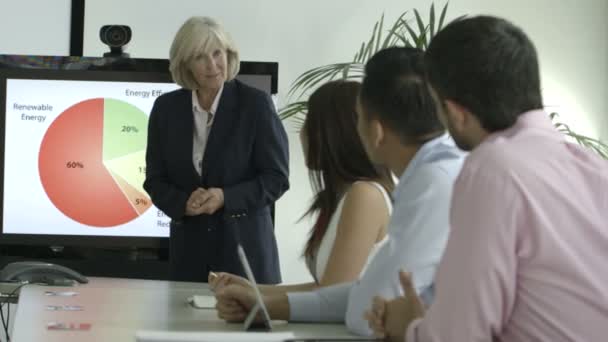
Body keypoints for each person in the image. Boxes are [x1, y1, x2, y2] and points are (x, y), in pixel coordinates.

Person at [365, 16, 608, 342]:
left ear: (456, 112)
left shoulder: (492, 168)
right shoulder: (592, 165)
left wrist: (409, 326)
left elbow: (457, 336)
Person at [213, 47, 465, 335]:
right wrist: (261, 301)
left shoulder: (430, 184)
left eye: (358, 118)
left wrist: (380, 311)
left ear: (376, 131)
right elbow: (361, 294)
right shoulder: (429, 178)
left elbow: (364, 312)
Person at [210, 80, 394, 293]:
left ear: (334, 132)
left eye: (309, 121)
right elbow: (323, 289)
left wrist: (257, 304)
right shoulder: (343, 196)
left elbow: (331, 299)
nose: (302, 133)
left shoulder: (365, 196)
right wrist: (252, 291)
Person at [143, 17, 289, 283]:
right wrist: (182, 203)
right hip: (189, 259)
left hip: (246, 259)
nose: (213, 65)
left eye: (217, 53)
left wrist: (225, 197)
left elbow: (276, 179)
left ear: (229, 54)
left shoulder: (255, 105)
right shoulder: (166, 109)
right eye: (200, 57)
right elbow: (155, 180)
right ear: (184, 63)